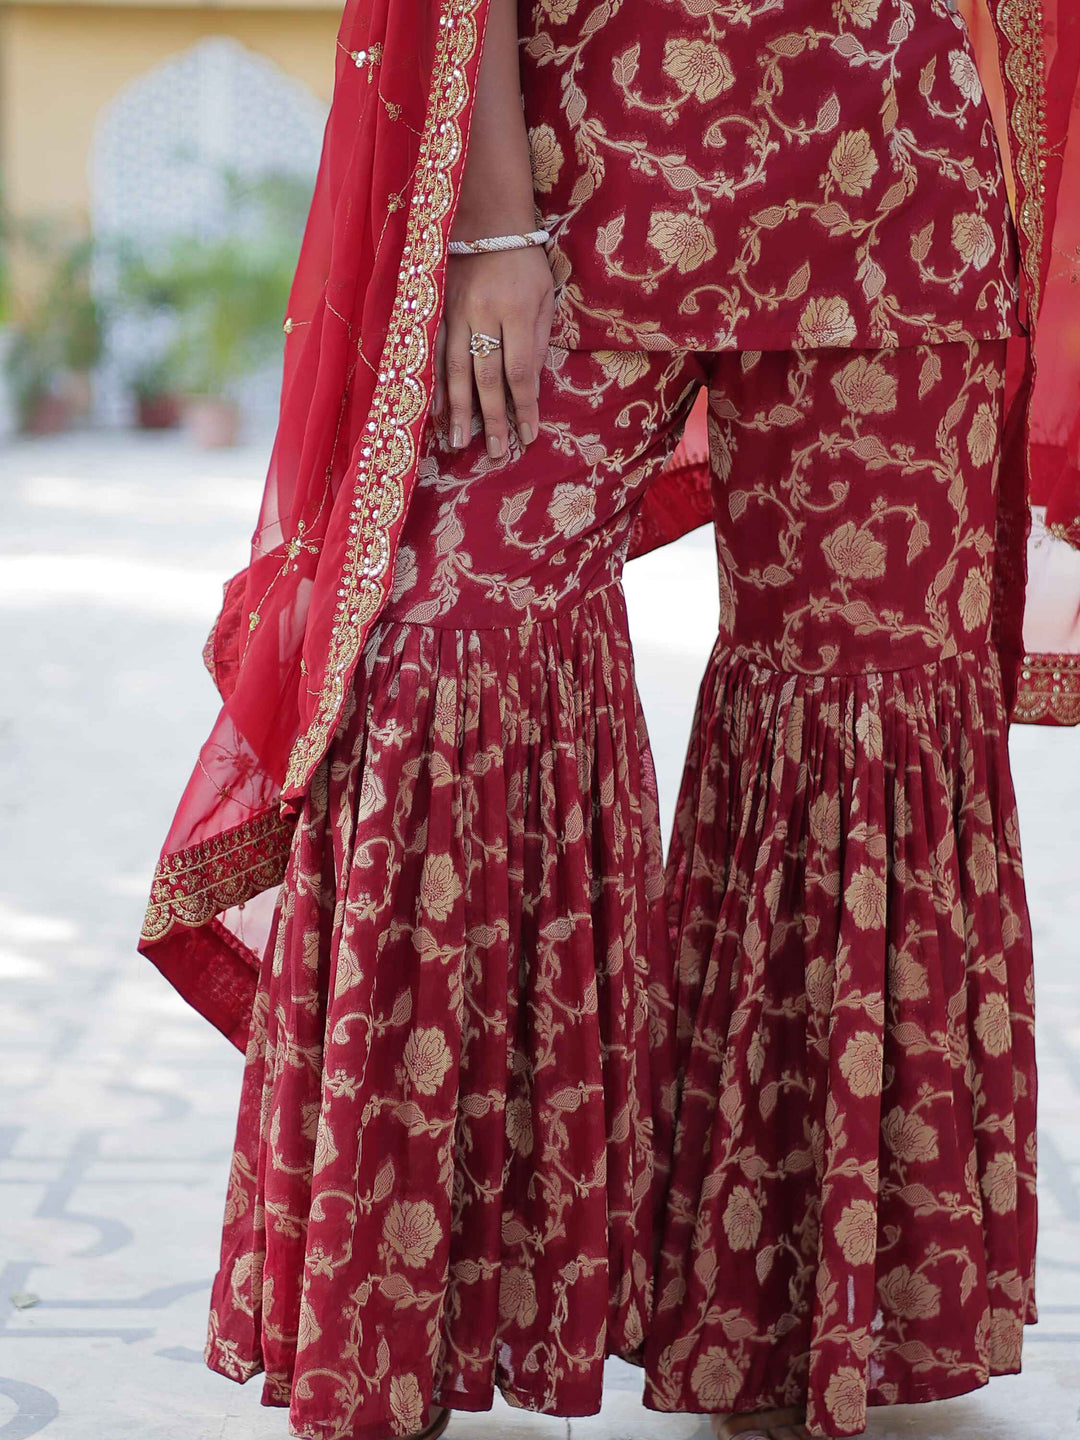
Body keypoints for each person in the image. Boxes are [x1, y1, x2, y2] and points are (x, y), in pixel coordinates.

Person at [137, 0, 1079, 1438]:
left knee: (862, 709)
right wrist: (492, 224)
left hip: (904, 176)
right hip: (585, 172)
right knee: (443, 651)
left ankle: (784, 1321)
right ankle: (406, 1318)